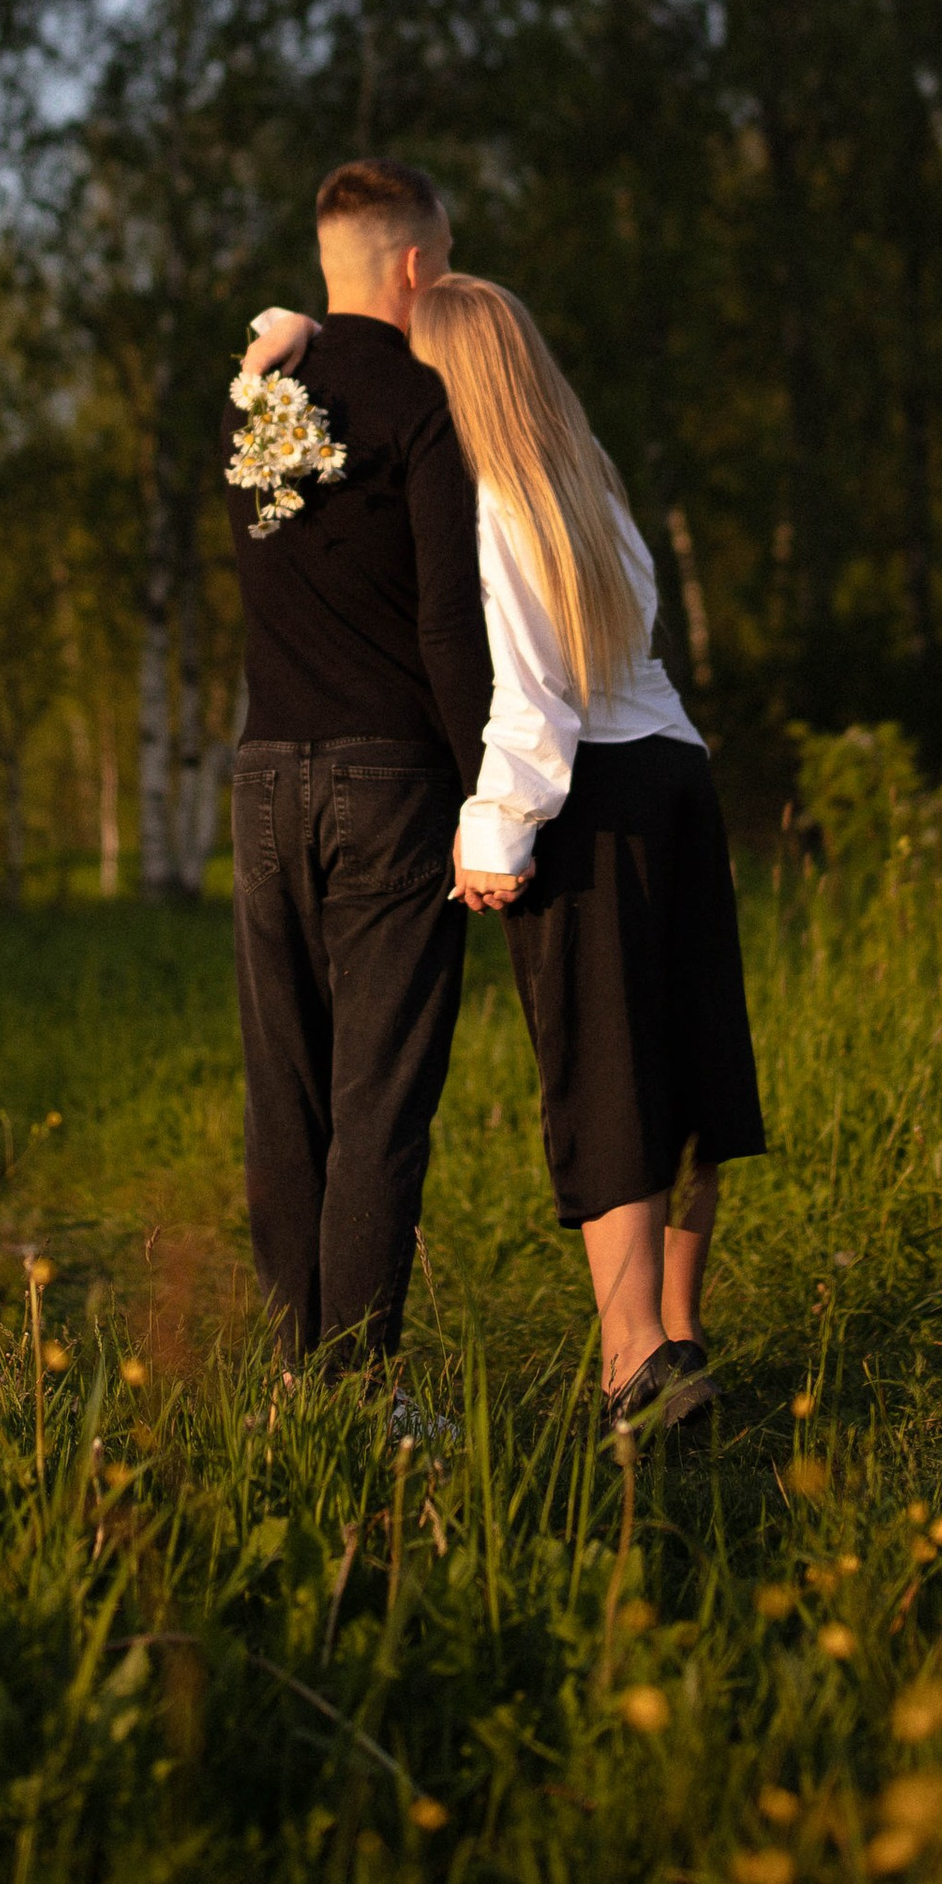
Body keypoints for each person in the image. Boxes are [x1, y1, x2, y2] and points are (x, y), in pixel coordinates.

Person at [243, 272, 764, 1435]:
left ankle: (632, 1368)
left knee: (607, 1079)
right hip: (675, 772)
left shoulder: (493, 504)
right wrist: (304, 332)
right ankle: (679, 1338)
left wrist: (494, 830)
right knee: (687, 1068)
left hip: (590, 796)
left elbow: (533, 696)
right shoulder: (585, 475)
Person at [222, 159, 492, 1367]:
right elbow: (448, 625)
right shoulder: (429, 406)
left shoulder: (261, 402)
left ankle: (298, 1383)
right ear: (416, 268)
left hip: (266, 777)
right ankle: (357, 1390)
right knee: (378, 1104)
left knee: (288, 1095)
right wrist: (493, 790)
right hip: (391, 783)